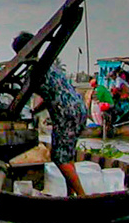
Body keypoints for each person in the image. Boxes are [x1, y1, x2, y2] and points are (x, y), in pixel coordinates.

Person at [14, 31, 89, 197]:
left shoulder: (34, 72)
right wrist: (35, 111)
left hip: (66, 113)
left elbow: (21, 97)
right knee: (66, 154)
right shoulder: (50, 65)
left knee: (59, 157)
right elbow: (51, 95)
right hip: (78, 109)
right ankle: (71, 195)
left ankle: (82, 196)